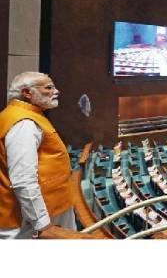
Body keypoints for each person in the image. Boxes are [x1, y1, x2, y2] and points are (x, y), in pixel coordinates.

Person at [0, 72, 97, 239]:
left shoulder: (24, 115)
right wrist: (43, 225)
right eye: (48, 88)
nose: (56, 91)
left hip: (49, 208)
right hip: (31, 220)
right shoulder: (24, 123)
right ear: (27, 93)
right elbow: (23, 180)